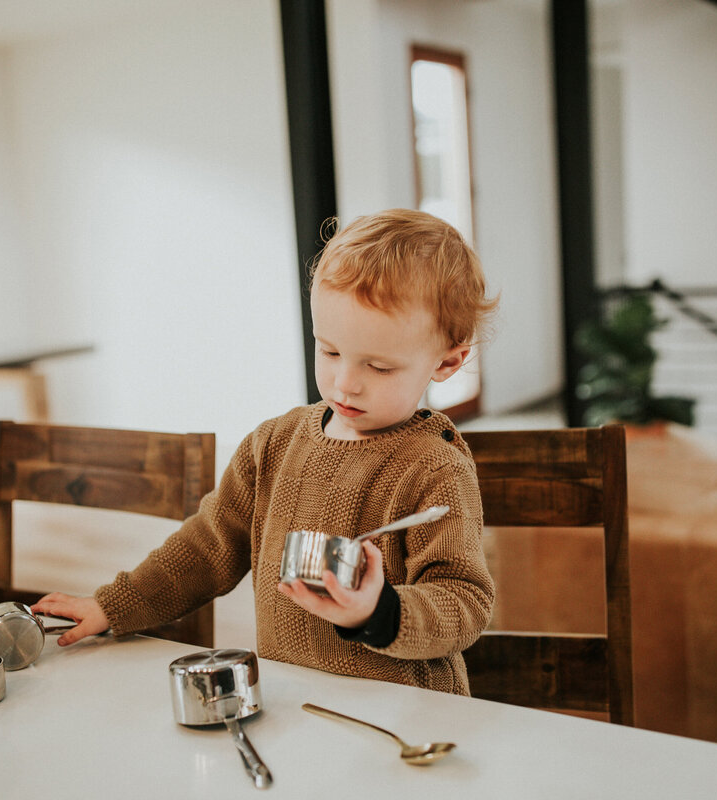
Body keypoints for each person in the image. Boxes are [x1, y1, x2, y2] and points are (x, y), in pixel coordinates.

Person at [32, 208, 498, 695]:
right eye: (330, 351)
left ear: (448, 360)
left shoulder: (434, 468)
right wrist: (113, 606)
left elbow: (463, 602)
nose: (345, 383)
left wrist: (378, 612)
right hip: (296, 699)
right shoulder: (274, 444)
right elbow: (206, 548)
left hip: (406, 714)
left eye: (379, 367)